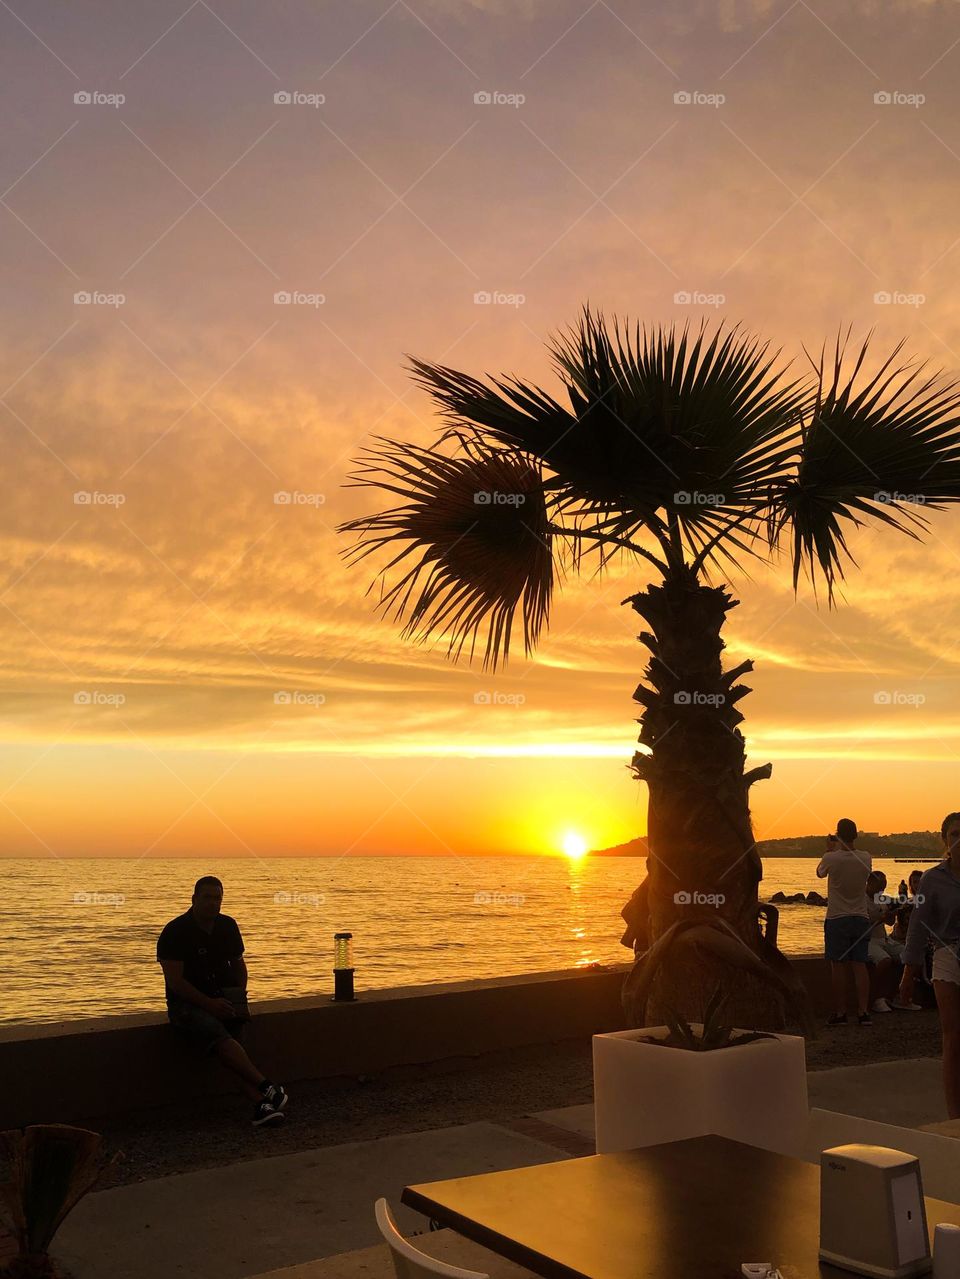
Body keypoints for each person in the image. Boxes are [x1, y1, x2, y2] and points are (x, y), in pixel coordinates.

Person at [157, 876, 289, 1127]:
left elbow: (239, 965)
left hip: (224, 1000)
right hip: (186, 1007)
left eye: (217, 898)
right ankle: (269, 1088)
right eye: (207, 897)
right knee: (222, 1039)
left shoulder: (228, 926)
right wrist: (209, 1004)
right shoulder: (175, 932)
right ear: (194, 899)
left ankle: (261, 1105)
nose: (212, 903)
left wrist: (238, 996)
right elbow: (175, 982)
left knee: (233, 1048)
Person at [900, 813, 960, 1117]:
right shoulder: (933, 879)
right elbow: (918, 926)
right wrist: (908, 973)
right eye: (955, 834)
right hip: (948, 955)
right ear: (945, 840)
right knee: (953, 1037)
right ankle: (955, 1116)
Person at [816, 818, 872, 1026]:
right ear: (856, 835)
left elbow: (820, 873)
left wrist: (830, 849)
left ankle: (840, 1013)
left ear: (838, 835)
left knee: (838, 966)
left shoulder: (831, 858)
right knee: (860, 965)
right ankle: (863, 1011)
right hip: (861, 916)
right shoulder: (866, 858)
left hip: (837, 917)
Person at [865, 871, 919, 1012]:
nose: (881, 890)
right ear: (869, 883)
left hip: (884, 939)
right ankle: (874, 997)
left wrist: (892, 915)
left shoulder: (882, 899)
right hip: (868, 940)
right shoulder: (860, 901)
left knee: (909, 957)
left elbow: (889, 923)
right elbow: (860, 929)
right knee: (885, 961)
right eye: (879, 886)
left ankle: (897, 996)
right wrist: (880, 919)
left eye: (883, 886)